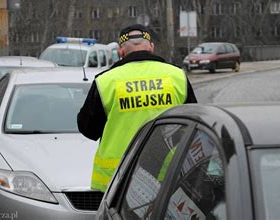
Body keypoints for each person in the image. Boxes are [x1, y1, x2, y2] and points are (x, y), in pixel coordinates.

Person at [77, 24, 197, 192]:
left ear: (121, 52)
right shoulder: (177, 76)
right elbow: (194, 123)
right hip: (171, 176)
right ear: (151, 47)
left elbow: (88, 129)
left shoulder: (106, 81)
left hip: (119, 180)